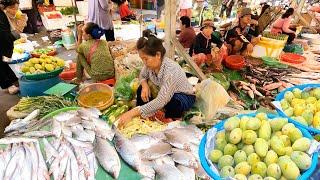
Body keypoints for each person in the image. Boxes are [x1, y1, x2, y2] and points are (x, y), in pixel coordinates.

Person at [118, 30, 195, 128]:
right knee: (141, 90)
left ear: (158, 55)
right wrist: (145, 86)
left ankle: (170, 120)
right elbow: (142, 75)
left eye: (146, 59)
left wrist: (132, 112)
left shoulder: (171, 70)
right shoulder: (150, 65)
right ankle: (145, 116)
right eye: (142, 59)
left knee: (172, 104)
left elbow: (161, 100)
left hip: (183, 95)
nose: (144, 62)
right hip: (164, 92)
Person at [0, 0, 20, 94]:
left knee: (4, 61)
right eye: (15, 9)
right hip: (3, 41)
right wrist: (14, 36)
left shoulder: (3, 13)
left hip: (4, 43)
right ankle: (8, 85)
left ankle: (12, 79)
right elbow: (3, 33)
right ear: (8, 8)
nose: (16, 11)